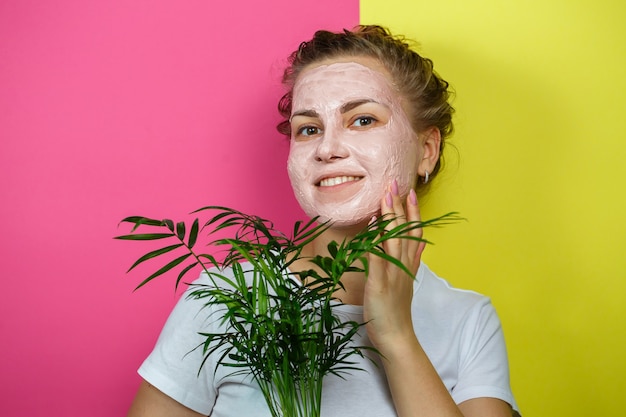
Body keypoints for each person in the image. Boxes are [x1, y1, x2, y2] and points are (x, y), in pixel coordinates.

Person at [127, 25, 520, 417]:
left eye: (363, 120)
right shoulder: (228, 298)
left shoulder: (467, 320)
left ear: (427, 151)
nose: (327, 149)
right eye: (309, 129)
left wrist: (396, 336)